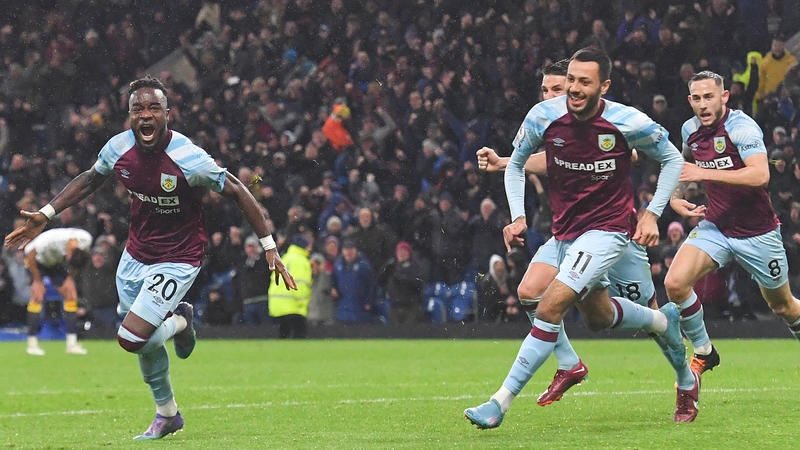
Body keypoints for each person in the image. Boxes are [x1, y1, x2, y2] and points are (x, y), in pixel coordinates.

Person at [4, 75, 297, 440]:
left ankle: (181, 321)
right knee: (143, 344)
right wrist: (46, 214)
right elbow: (91, 178)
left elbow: (237, 189)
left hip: (179, 257)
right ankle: (167, 414)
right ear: (129, 115)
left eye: (153, 107)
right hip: (135, 256)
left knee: (131, 337)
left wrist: (269, 246)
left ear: (167, 114)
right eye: (137, 109)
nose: (145, 115)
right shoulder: (118, 148)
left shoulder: (188, 158)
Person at [464, 47, 691, 429]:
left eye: (583, 82)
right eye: (570, 80)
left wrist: (653, 213)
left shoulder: (627, 122)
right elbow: (519, 164)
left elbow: (672, 160)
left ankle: (499, 403)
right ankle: (646, 328)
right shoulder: (543, 117)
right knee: (577, 310)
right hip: (567, 233)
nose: (573, 88)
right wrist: (518, 217)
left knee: (551, 307)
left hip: (612, 232)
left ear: (604, 86)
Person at [667, 70, 800, 384]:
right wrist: (676, 197)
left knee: (784, 306)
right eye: (697, 98)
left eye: (709, 96)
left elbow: (759, 176)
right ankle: (704, 352)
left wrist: (704, 173)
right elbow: (685, 164)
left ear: (723, 97)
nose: (703, 104)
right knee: (675, 283)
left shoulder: (741, 127)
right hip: (716, 226)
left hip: (759, 233)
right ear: (690, 101)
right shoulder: (690, 130)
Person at [23, 227, 92, 356]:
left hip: (55, 263)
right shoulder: (49, 242)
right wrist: (37, 281)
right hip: (36, 260)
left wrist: (70, 278)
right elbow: (31, 254)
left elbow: (78, 263)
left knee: (71, 295)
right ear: (69, 253)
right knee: (37, 296)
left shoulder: (86, 240)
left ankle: (71, 344)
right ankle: (32, 345)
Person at [268, 235, 312, 338]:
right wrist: (303, 303)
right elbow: (299, 284)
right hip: (293, 306)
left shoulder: (284, 258)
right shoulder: (301, 261)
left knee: (283, 335)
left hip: (277, 305)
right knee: (299, 335)